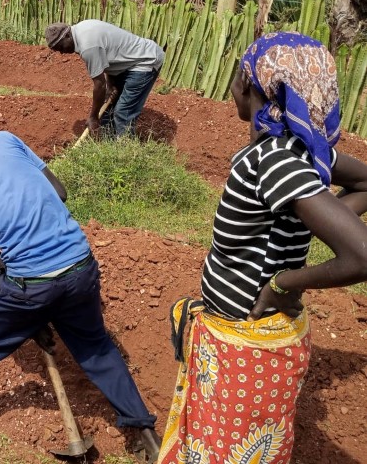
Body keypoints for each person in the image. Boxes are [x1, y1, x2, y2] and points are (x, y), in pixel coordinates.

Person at [157, 32, 367, 464]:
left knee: (226, 453)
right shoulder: (305, 152)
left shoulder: (274, 157)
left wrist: (284, 283)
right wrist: (326, 216)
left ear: (252, 85)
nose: (233, 83)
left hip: (245, 346)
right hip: (257, 336)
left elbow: (361, 255)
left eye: (239, 73)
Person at [0, 131, 160, 461]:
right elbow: (60, 192)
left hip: (31, 283)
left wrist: (29, 311)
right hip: (80, 265)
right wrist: (35, 316)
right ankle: (146, 434)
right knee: (96, 347)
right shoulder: (4, 140)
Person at [45, 20, 164, 138]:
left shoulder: (88, 46)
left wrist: (93, 117)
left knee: (123, 113)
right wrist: (111, 85)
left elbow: (100, 85)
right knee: (109, 108)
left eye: (60, 47)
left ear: (67, 36)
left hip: (145, 61)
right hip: (129, 63)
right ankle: (108, 144)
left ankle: (125, 152)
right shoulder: (81, 29)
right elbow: (109, 55)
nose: (61, 52)